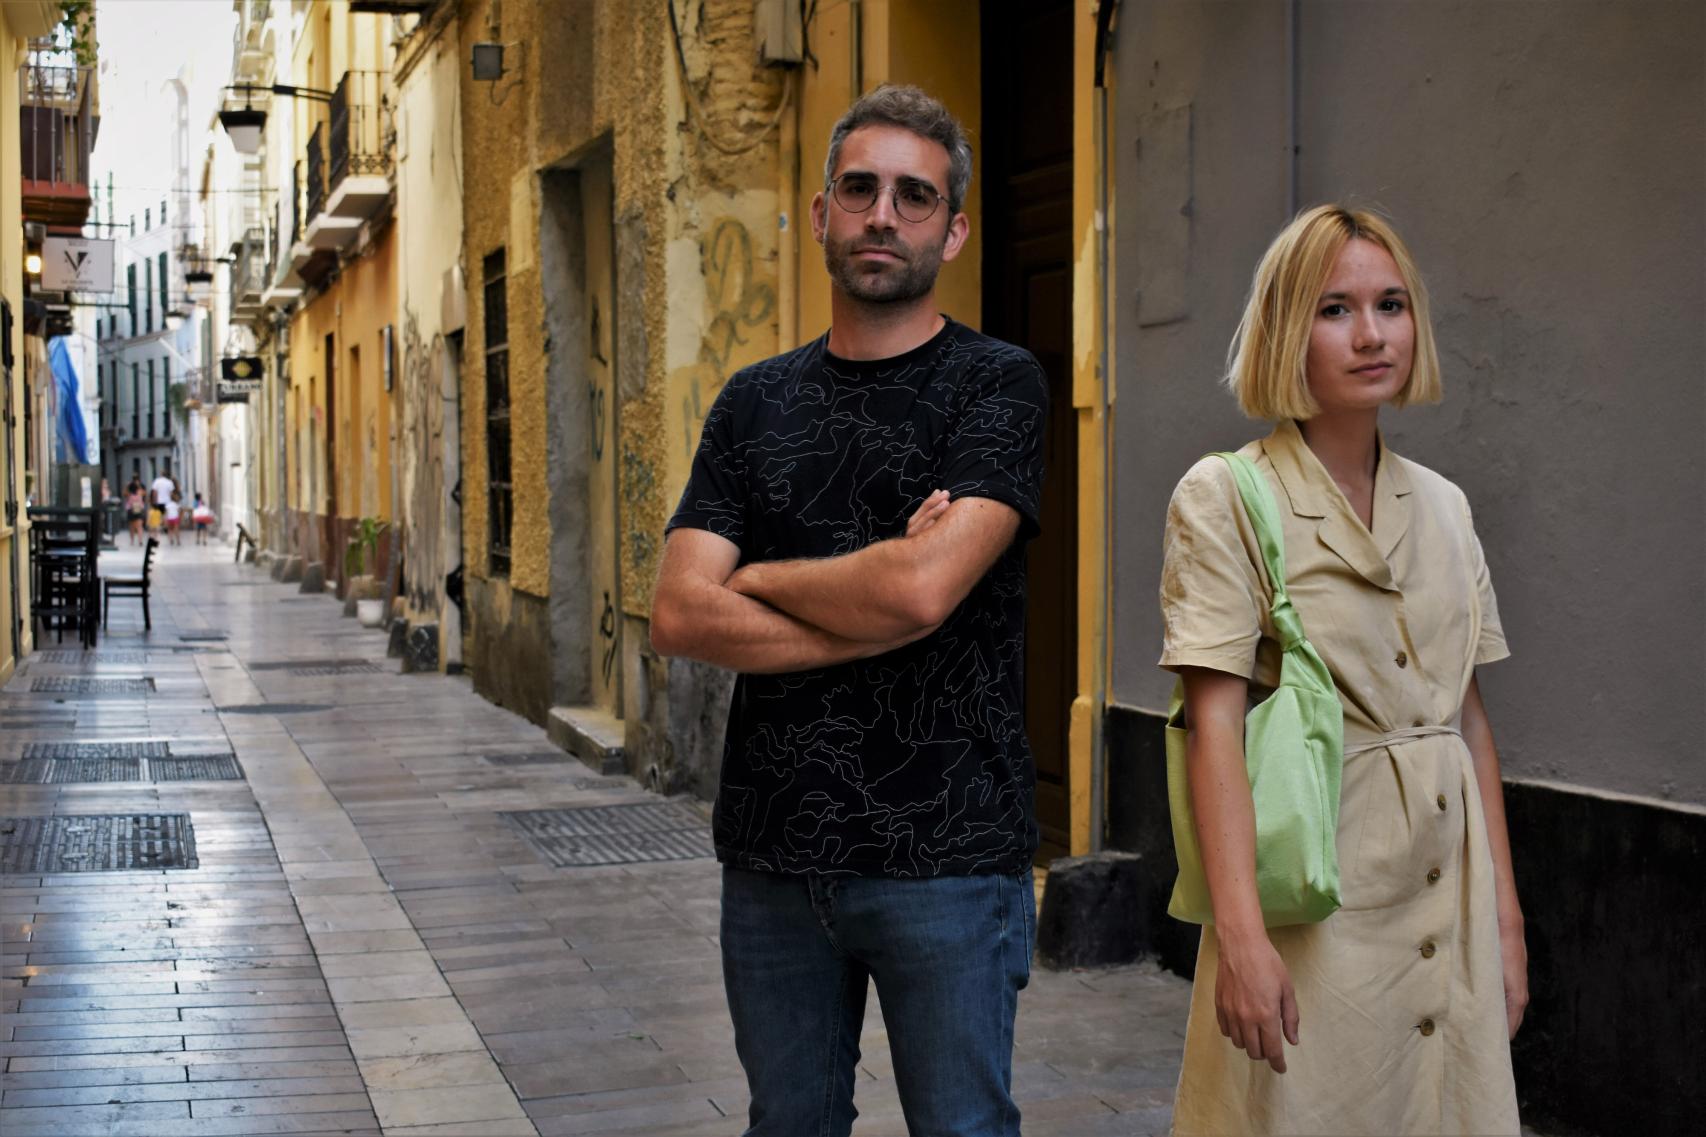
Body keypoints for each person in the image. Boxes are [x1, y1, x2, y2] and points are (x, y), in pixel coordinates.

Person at [651, 84, 1049, 1137]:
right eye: (859, 188)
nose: (883, 214)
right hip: (775, 861)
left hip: (951, 857)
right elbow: (679, 616)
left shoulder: (996, 387)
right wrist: (873, 595)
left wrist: (761, 573)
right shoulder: (752, 402)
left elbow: (923, 592)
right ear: (821, 211)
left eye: (914, 197)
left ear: (952, 230)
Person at [1159, 205, 1527, 1135]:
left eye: (1391, 304)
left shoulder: (1446, 507)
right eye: (1334, 309)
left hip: (1448, 899)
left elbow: (1468, 721)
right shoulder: (1229, 495)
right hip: (1316, 905)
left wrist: (1507, 923)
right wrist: (1239, 937)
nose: (1371, 334)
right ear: (1288, 327)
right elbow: (1214, 726)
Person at [149, 469, 175, 534]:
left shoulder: (157, 481)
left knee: (160, 515)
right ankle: (165, 527)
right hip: (167, 501)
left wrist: (154, 501)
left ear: (161, 474)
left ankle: (162, 527)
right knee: (166, 515)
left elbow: (154, 492)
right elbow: (171, 493)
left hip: (159, 501)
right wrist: (171, 500)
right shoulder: (169, 482)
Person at [123, 477, 146, 546]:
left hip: (131, 510)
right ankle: (140, 540)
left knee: (132, 527)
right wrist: (138, 485)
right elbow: (144, 493)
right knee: (139, 526)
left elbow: (124, 493)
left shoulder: (129, 494)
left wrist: (127, 486)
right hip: (139, 509)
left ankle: (132, 540)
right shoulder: (140, 492)